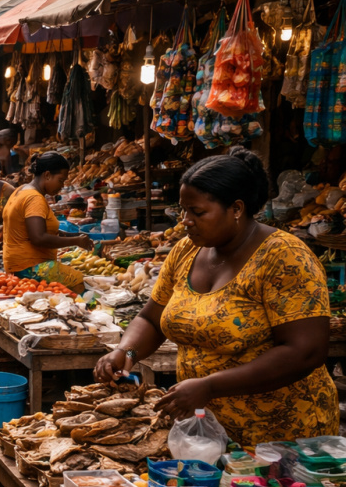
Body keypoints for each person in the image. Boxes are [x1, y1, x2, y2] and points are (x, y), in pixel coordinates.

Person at [95, 148, 336, 446]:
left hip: (279, 435)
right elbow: (151, 318)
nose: (186, 221)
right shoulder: (186, 251)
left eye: (197, 212)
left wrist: (210, 386)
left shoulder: (285, 257)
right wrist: (126, 353)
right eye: (183, 210)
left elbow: (305, 351)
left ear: (236, 209)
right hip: (205, 429)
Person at [1, 152, 92, 292]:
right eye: (61, 180)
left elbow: (30, 229)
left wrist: (69, 235)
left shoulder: (21, 190)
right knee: (82, 287)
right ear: (47, 175)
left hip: (16, 265)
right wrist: (76, 241)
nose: (61, 186)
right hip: (31, 268)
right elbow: (38, 238)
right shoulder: (34, 198)